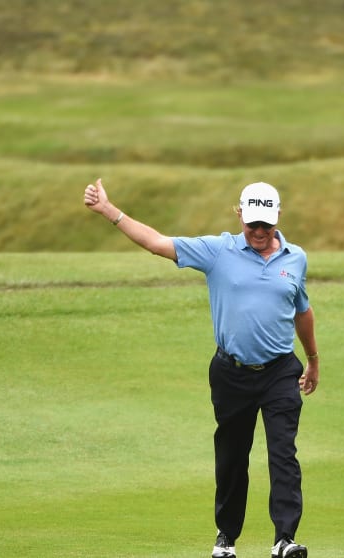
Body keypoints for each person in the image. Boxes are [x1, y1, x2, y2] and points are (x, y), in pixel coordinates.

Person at [83, 178, 320, 558]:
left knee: (283, 455)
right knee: (231, 456)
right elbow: (157, 243)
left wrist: (312, 359)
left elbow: (302, 310)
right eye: (252, 223)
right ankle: (226, 538)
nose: (258, 231)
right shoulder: (217, 251)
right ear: (239, 215)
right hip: (231, 372)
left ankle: (284, 540)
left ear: (277, 219)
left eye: (266, 224)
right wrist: (109, 211)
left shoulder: (296, 258)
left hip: (280, 371)